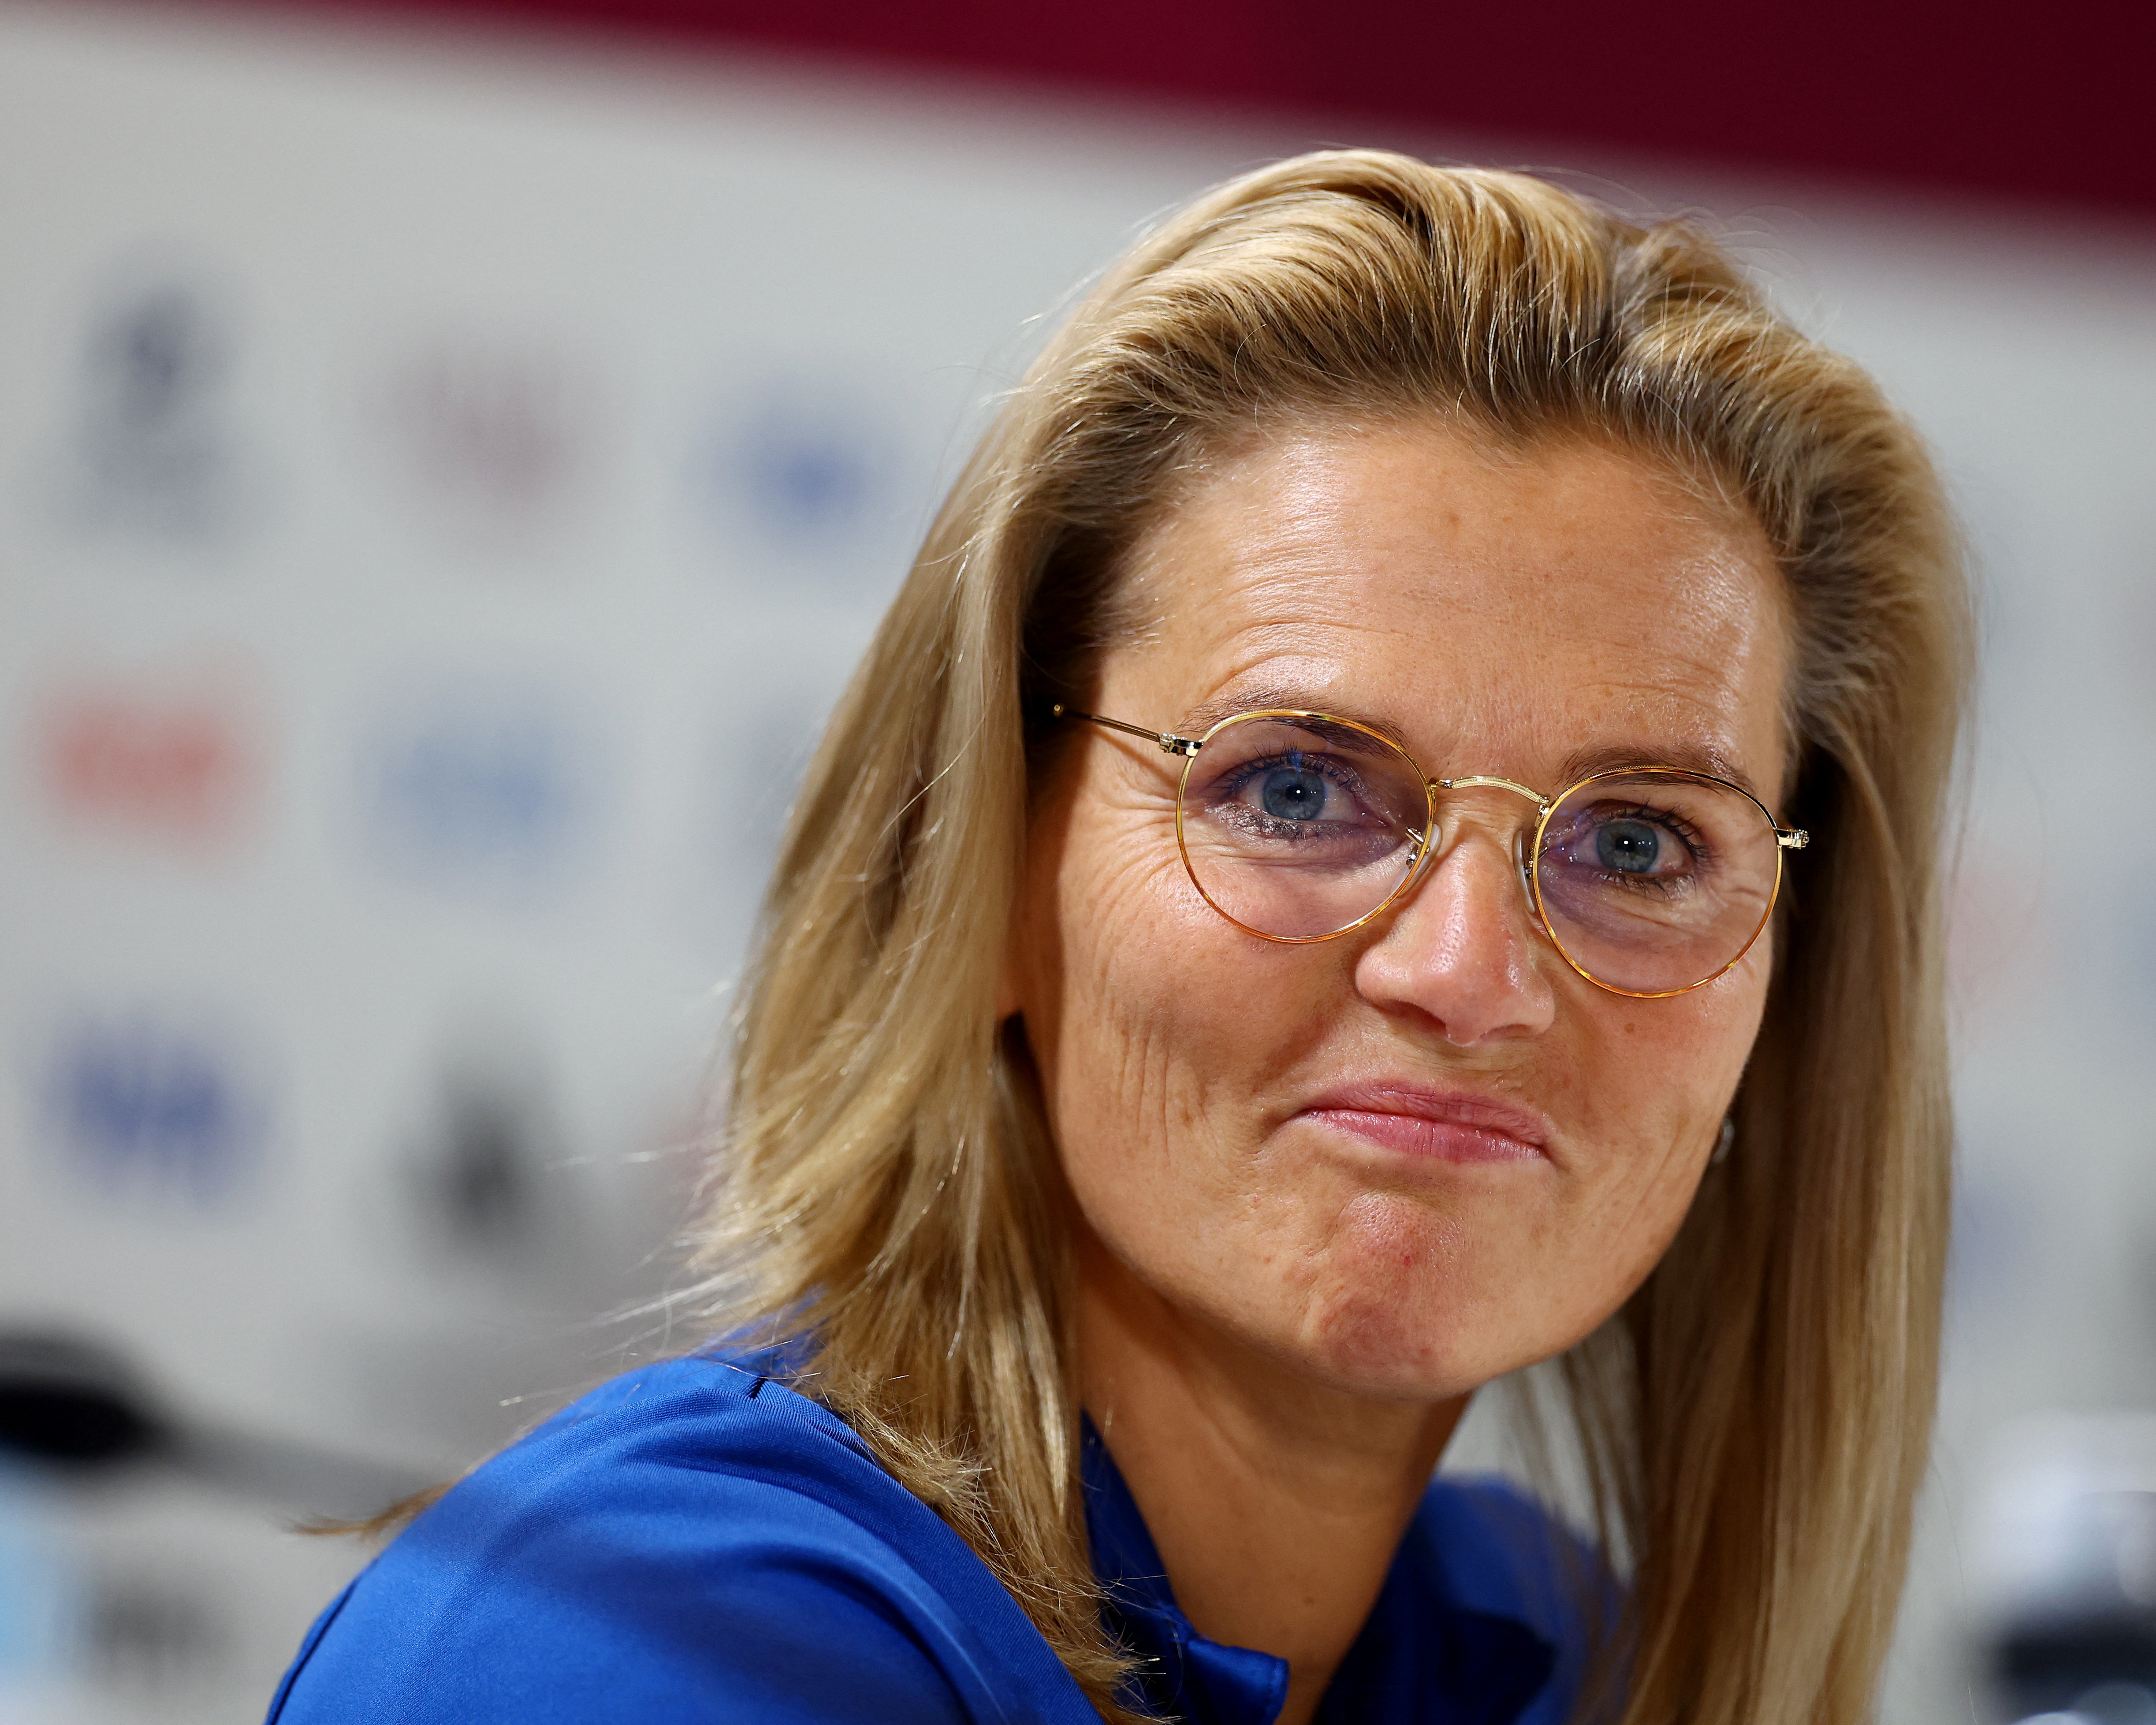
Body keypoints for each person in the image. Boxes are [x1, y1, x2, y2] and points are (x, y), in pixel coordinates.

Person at [268, 149, 1967, 1725]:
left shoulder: (1545, 1652)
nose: (1465, 970)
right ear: (989, 877)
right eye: (1295, 789)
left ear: (1783, 991)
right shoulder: (627, 1646)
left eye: (1637, 841)